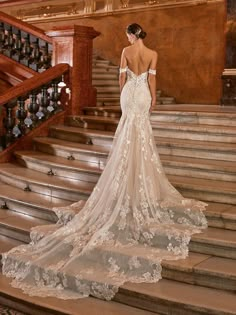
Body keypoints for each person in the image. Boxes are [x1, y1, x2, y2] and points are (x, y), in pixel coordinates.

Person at [2, 23, 207, 301]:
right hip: (143, 94)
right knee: (142, 136)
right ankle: (141, 180)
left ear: (131, 35)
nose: (127, 38)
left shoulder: (125, 51)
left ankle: (127, 176)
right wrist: (153, 98)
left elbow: (122, 79)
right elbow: (152, 80)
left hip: (129, 96)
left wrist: (126, 94)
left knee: (128, 134)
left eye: (127, 34)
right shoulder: (153, 54)